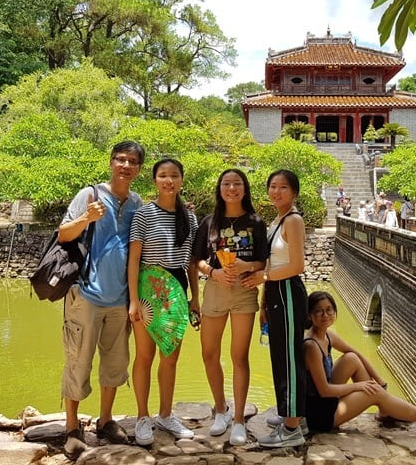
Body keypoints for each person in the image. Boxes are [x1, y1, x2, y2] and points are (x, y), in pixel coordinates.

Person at [57, 141, 145, 460]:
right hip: (86, 295)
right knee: (78, 360)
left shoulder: (137, 203)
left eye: (132, 161)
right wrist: (86, 219)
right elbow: (63, 234)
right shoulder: (90, 194)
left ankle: (105, 420)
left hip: (121, 299)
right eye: (120, 159)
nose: (125, 165)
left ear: (138, 169)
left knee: (115, 363)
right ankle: (71, 427)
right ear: (111, 163)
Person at [304, 291, 416, 435]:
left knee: (351, 358)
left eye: (329, 309)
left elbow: (356, 352)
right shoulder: (311, 345)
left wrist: (380, 381)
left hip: (325, 402)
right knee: (374, 392)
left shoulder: (327, 335)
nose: (325, 314)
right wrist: (359, 386)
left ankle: (385, 410)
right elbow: (324, 390)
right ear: (310, 315)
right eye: (319, 311)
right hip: (320, 416)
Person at [192, 169, 269, 445]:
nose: (232, 188)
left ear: (245, 189)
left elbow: (263, 261)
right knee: (209, 353)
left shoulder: (256, 222)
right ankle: (220, 410)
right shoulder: (209, 222)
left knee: (239, 356)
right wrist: (214, 273)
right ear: (219, 189)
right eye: (226, 183)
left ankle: (238, 419)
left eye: (237, 183)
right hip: (215, 289)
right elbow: (197, 260)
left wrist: (248, 266)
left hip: (245, 290)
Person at [128, 158, 200, 446]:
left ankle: (166, 414)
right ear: (154, 180)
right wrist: (133, 299)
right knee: (144, 357)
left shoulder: (190, 218)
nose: (168, 181)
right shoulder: (144, 214)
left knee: (170, 358)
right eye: (162, 176)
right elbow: (134, 258)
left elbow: (192, 263)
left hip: (177, 291)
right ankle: (143, 416)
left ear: (181, 180)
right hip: (147, 289)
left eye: (174, 176)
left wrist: (196, 297)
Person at [243, 169, 308, 448]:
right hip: (275, 293)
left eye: (283, 187)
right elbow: (271, 263)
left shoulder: (292, 220)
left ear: (294, 192)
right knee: (281, 357)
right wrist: (263, 302)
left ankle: (292, 428)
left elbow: (297, 266)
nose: (276, 192)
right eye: (272, 186)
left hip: (288, 292)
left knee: (290, 359)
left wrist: (264, 279)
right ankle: (290, 415)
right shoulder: (276, 220)